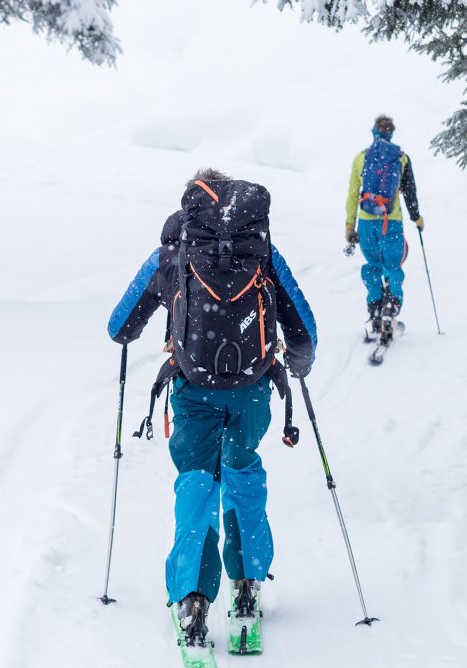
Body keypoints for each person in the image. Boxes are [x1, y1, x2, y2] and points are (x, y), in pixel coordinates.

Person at [107, 169, 317, 645]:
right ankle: (246, 585)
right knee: (243, 473)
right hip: (253, 391)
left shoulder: (174, 252)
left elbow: (119, 325)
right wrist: (299, 364)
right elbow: (302, 326)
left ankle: (193, 599)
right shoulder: (258, 251)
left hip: (193, 391)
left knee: (196, 486)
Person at [345, 115, 424, 335]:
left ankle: (374, 311)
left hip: (367, 223)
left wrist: (350, 225)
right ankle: (391, 307)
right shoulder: (401, 158)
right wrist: (416, 217)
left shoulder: (360, 159)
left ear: (373, 132)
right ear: (391, 134)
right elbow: (410, 192)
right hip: (391, 222)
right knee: (392, 266)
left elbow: (353, 195)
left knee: (373, 265)